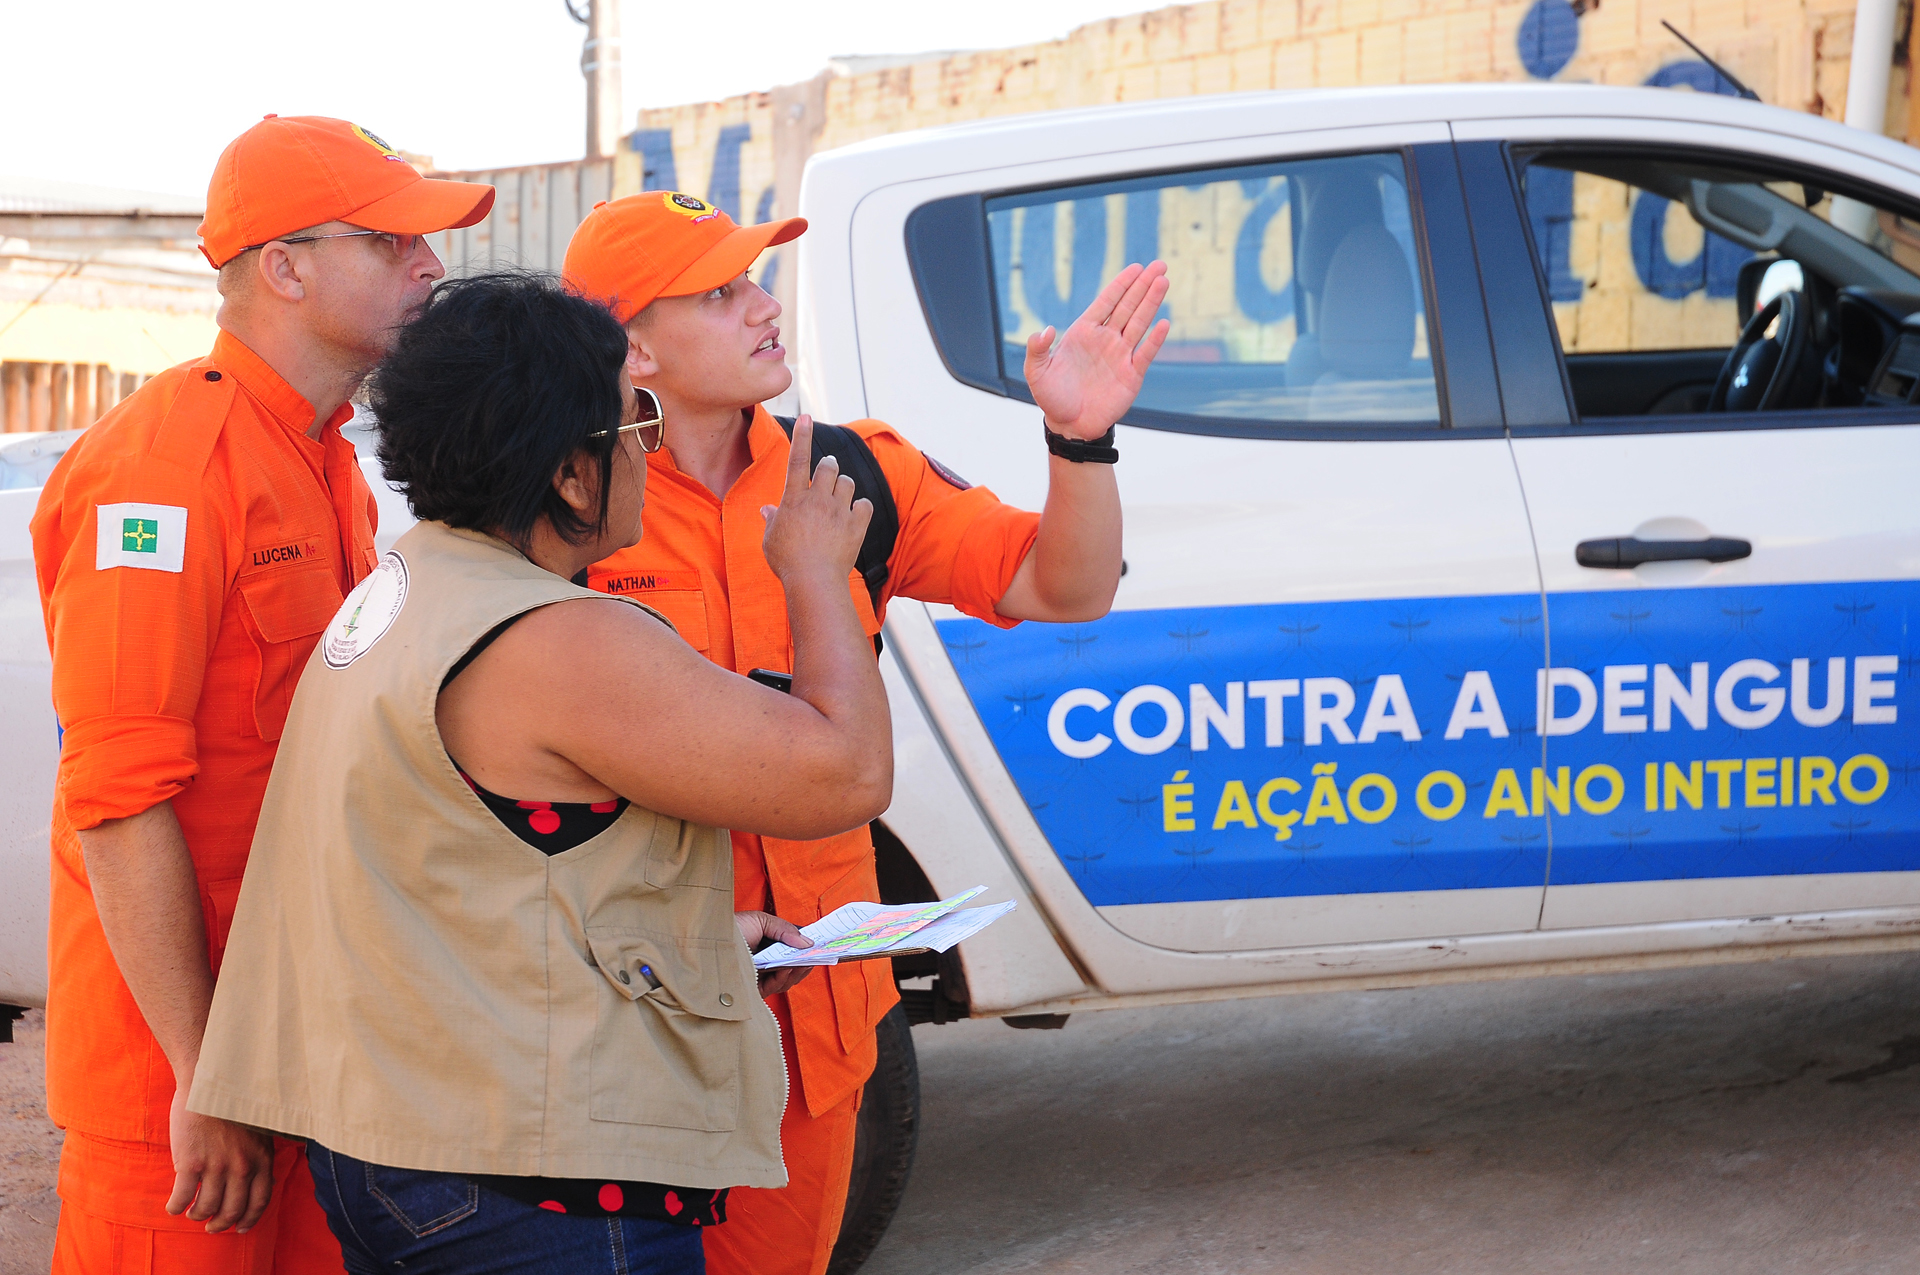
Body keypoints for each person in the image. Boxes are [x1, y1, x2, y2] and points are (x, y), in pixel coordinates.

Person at [184, 271, 894, 1274]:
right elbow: (848, 775)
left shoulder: (408, 584)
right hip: (528, 1187)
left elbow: (455, 869)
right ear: (570, 474)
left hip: (398, 1146)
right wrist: (820, 577)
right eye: (631, 422)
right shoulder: (561, 639)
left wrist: (694, 936)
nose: (647, 450)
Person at [561, 190, 1170, 1275]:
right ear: (631, 346)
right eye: (720, 291)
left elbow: (1063, 586)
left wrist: (1080, 440)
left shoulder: (854, 471)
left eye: (756, 279)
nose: (761, 306)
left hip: (818, 1021)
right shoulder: (559, 500)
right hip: (630, 1014)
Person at [29, 116, 493, 1272]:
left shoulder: (322, 454)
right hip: (183, 1088)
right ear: (284, 267)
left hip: (301, 1043)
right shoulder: (162, 475)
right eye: (394, 244)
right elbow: (121, 797)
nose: (431, 268)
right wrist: (203, 1071)